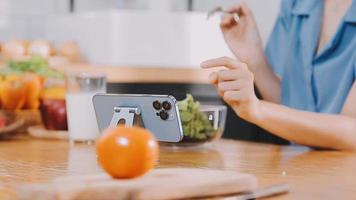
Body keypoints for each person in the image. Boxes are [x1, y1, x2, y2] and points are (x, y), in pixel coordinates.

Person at [201, 0, 356, 150]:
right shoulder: (296, 4)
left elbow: (351, 133)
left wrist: (258, 109)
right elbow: (292, 108)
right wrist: (255, 61)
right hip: (303, 166)